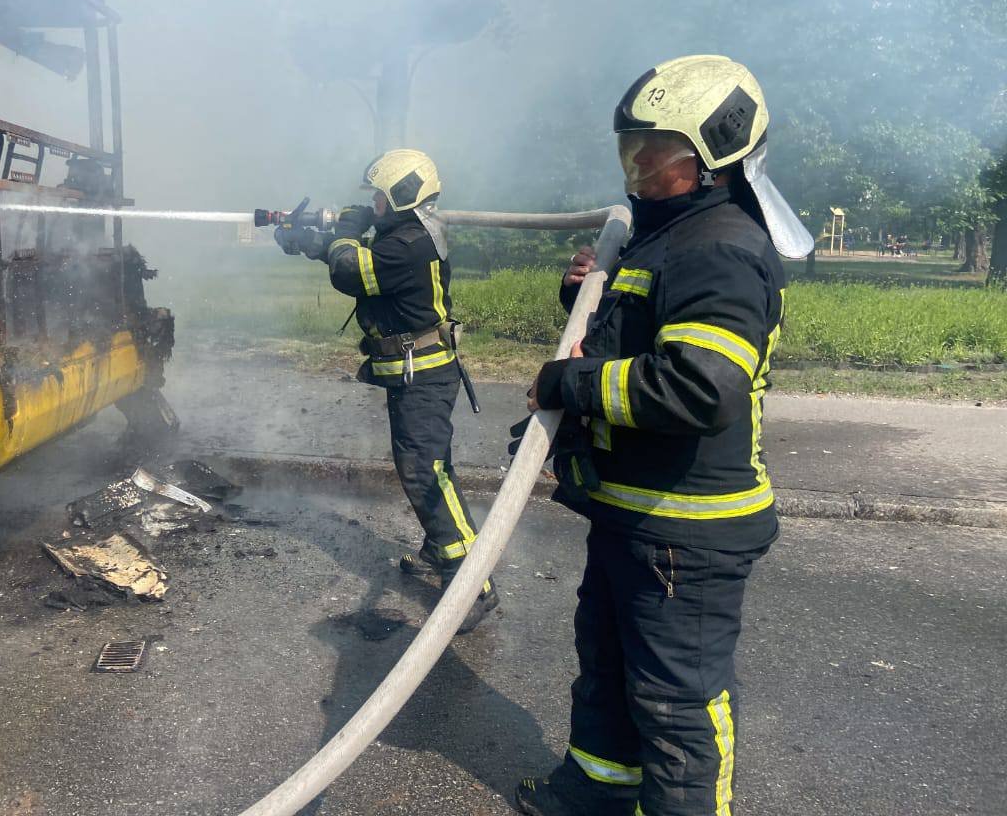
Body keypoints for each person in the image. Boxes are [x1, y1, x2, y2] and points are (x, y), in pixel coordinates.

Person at [514, 55, 813, 816]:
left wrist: (567, 384)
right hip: (634, 510)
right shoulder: (670, 233)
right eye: (632, 147)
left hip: (686, 527)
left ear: (716, 160)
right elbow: (640, 330)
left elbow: (697, 387)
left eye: (661, 151)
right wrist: (586, 295)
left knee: (677, 705)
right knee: (608, 667)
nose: (640, 163)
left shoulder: (720, 249)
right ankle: (597, 792)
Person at [293, 149, 499, 634]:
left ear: (402, 196)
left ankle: (472, 585)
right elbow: (362, 265)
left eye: (379, 198)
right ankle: (441, 546)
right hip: (415, 374)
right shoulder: (405, 236)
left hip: (423, 376)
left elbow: (351, 270)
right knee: (428, 467)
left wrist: (345, 230)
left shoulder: (408, 244)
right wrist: (311, 243)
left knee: (425, 471)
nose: (374, 205)